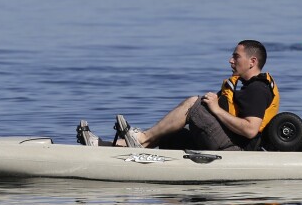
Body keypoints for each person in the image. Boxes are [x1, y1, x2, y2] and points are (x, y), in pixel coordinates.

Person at [113, 40, 279, 151]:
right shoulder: (245, 88)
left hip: (236, 149)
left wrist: (216, 109)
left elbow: (250, 130)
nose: (231, 60)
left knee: (193, 103)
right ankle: (126, 147)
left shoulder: (256, 90)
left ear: (252, 62)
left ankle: (142, 138)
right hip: (229, 141)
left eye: (236, 56)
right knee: (172, 135)